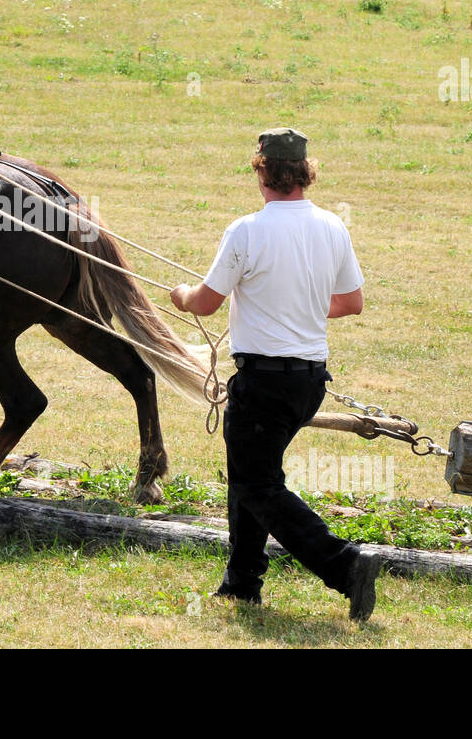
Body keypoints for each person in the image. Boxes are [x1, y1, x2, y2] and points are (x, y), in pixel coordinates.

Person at [170, 127, 382, 622]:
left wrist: (179, 295)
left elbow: (204, 302)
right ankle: (242, 583)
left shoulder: (246, 230)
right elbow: (351, 302)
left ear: (261, 170)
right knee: (251, 476)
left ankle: (345, 565)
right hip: (308, 382)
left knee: (257, 483)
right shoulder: (333, 227)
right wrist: (298, 306)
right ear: (306, 172)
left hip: (262, 383)